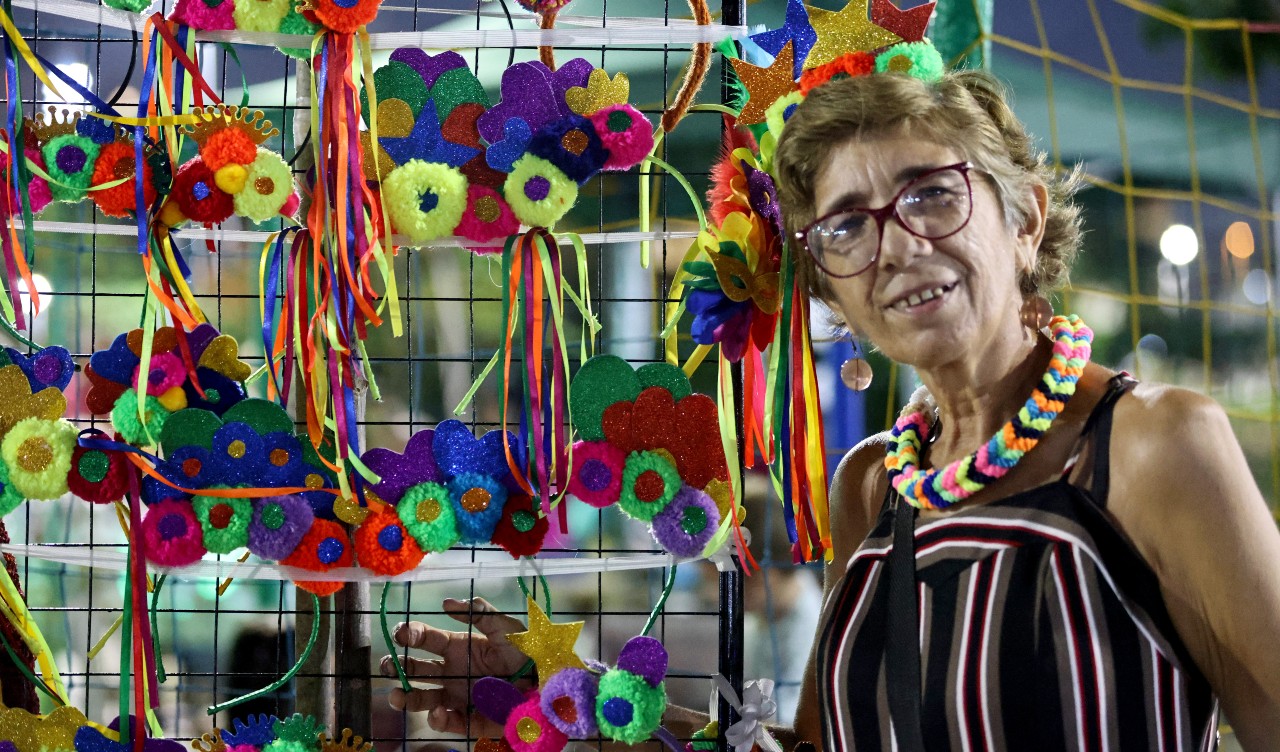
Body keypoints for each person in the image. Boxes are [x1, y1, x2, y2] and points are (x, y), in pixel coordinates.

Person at [381, 68, 1280, 750]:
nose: (896, 244)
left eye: (931, 192)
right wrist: (567, 695)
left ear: (1026, 221)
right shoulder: (873, 487)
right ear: (832, 297)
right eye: (848, 225)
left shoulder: (1155, 446)